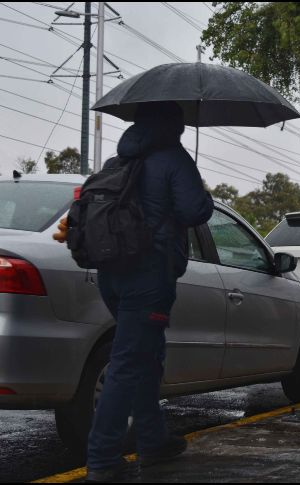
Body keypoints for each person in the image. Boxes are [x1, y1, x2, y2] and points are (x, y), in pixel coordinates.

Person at [53, 101, 214, 482]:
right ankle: (103, 458)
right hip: (149, 276)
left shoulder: (117, 162)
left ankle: (153, 439)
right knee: (128, 362)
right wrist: (201, 191)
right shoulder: (174, 159)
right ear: (173, 125)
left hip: (111, 275)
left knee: (147, 357)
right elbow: (195, 211)